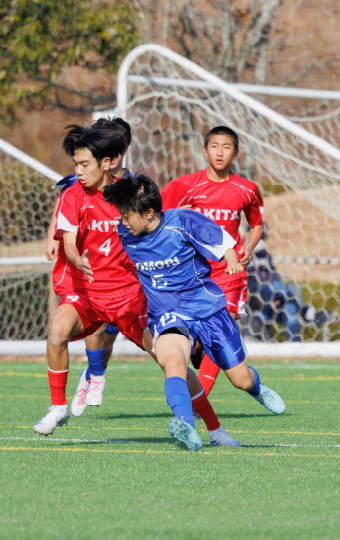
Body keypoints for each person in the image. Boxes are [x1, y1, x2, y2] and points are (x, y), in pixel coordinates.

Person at [35, 125, 239, 449]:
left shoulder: (127, 195)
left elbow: (159, 219)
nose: (78, 171)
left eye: (84, 164)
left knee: (171, 361)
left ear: (106, 163)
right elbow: (69, 241)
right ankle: (58, 407)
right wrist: (74, 257)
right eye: (76, 164)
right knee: (57, 332)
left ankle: (215, 430)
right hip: (86, 293)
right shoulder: (72, 194)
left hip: (131, 297)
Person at [104, 174, 286, 451]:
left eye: (127, 215)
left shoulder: (183, 222)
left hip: (207, 309)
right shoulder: (125, 232)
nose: (123, 221)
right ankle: (186, 425)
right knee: (172, 362)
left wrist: (232, 261)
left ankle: (256, 388)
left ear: (149, 212)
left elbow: (222, 242)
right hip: (167, 314)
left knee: (240, 379)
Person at [160, 126, 264, 396]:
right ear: (205, 151)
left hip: (230, 270)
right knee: (192, 339)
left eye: (226, 147)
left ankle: (199, 402)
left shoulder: (247, 189)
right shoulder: (185, 185)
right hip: (194, 273)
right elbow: (156, 214)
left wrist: (249, 247)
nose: (220, 152)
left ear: (236, 153)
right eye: (214, 146)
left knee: (222, 324)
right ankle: (208, 358)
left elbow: (257, 224)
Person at [43, 117, 132, 417]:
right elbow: (63, 207)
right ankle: (93, 378)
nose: (79, 169)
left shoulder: (130, 187)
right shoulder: (77, 183)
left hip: (124, 279)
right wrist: (53, 237)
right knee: (84, 327)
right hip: (88, 279)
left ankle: (94, 373)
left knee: (115, 335)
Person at [246, 230, 334, 341]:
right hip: (257, 299)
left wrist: (276, 297)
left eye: (263, 236)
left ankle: (295, 347)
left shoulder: (264, 253)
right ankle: (308, 313)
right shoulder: (242, 254)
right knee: (278, 286)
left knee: (290, 308)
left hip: (274, 297)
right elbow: (249, 283)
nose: (260, 239)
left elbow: (274, 275)